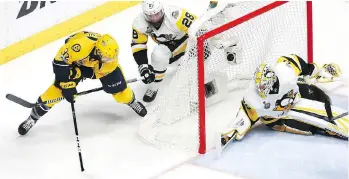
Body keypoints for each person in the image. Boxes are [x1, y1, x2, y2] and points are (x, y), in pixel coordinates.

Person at [18, 31, 147, 135]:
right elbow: (58, 62)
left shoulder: (110, 61)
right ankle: (32, 118)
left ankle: (131, 101)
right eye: (106, 57)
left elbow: (95, 74)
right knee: (54, 93)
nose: (110, 60)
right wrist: (67, 84)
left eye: (111, 58)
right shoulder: (80, 47)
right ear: (98, 51)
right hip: (75, 61)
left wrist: (79, 75)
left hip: (89, 67)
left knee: (121, 92)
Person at [221, 54, 348, 145]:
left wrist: (316, 71)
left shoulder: (285, 69)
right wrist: (232, 130)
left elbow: (300, 64)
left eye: (266, 85)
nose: (263, 89)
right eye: (261, 87)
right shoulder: (253, 97)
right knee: (313, 126)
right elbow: (245, 117)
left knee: (321, 99)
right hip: (279, 118)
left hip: (295, 98)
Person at [131, 0, 197, 102]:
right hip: (167, 46)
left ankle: (198, 82)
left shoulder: (176, 14)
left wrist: (202, 45)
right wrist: (143, 66)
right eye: (150, 16)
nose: (154, 19)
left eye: (157, 14)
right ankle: (154, 87)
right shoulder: (139, 23)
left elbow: (198, 27)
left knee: (194, 65)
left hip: (187, 41)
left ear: (162, 10)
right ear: (144, 14)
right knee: (158, 56)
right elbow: (138, 45)